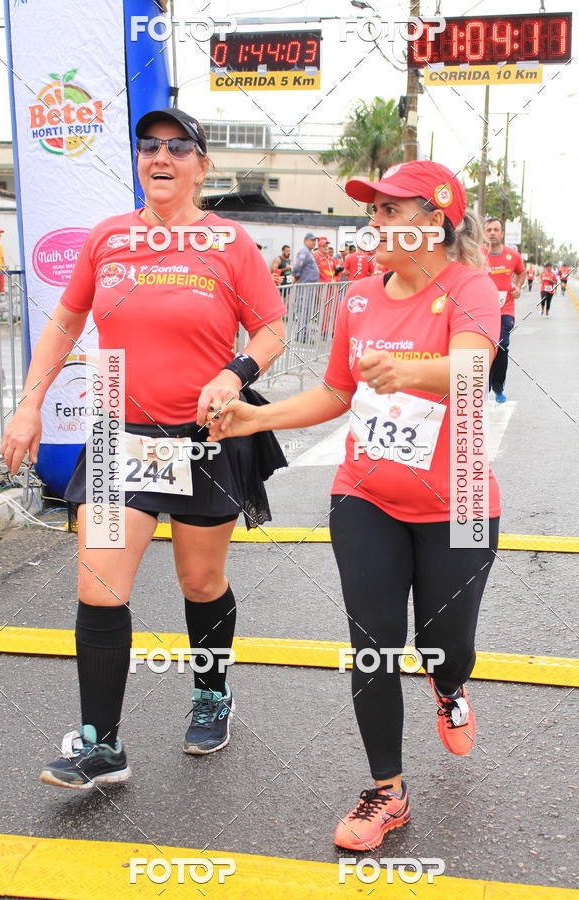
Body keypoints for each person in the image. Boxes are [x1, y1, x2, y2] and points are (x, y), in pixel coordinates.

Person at [206, 160, 501, 851]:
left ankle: (449, 685)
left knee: (444, 646)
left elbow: (472, 368)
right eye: (375, 211)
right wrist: (258, 418)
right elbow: (338, 395)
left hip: (456, 496)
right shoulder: (360, 297)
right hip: (365, 494)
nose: (377, 223)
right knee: (372, 645)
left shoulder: (469, 288)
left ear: (435, 222)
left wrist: (408, 371)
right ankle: (387, 790)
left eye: (392, 211)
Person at [1, 108, 287, 790]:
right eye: (149, 147)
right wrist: (30, 402)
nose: (161, 157)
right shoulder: (109, 237)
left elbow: (272, 328)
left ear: (201, 165)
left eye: (178, 147)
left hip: (203, 439)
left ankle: (212, 692)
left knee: (200, 582)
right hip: (115, 437)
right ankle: (102, 745)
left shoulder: (228, 242)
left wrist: (234, 374)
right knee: (98, 586)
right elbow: (67, 320)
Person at [483, 217, 525, 404]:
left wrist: (518, 287)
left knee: (500, 347)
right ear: (485, 233)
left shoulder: (512, 255)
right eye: (489, 229)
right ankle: (483, 389)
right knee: (482, 349)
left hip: (505, 310)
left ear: (502, 233)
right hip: (482, 311)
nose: (492, 232)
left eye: (496, 229)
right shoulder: (478, 254)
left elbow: (521, 271)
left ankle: (498, 387)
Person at [293, 232, 320, 342]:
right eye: (312, 240)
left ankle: (304, 334)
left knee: (307, 311)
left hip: (309, 287)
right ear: (306, 240)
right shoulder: (304, 252)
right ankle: (302, 335)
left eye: (315, 241)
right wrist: (298, 277)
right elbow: (297, 267)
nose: (314, 243)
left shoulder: (309, 252)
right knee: (304, 311)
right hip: (305, 286)